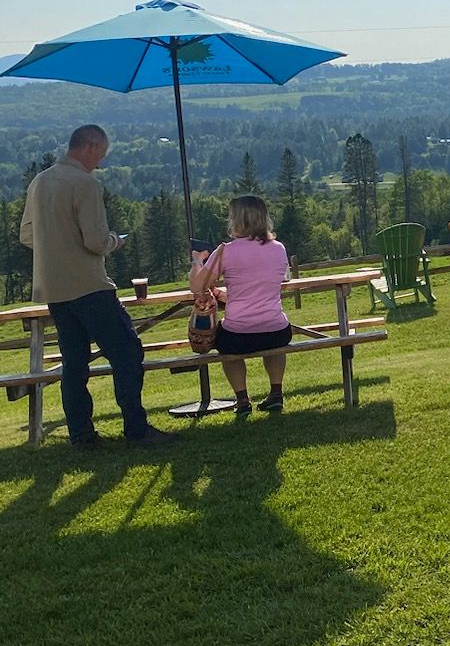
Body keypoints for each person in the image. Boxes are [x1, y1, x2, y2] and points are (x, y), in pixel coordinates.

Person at [19, 124, 170, 448]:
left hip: (54, 288)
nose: (99, 163)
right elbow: (96, 241)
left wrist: (57, 246)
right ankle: (136, 428)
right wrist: (117, 240)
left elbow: (27, 236)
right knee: (127, 352)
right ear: (88, 147)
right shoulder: (85, 184)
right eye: (100, 155)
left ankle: (82, 435)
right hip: (89, 285)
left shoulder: (40, 181)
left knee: (74, 362)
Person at [190, 194, 293, 413]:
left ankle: (242, 399)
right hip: (277, 329)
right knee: (274, 345)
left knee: (225, 345)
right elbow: (272, 284)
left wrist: (198, 261)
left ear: (238, 220)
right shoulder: (279, 248)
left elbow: (197, 286)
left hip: (239, 334)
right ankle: (276, 392)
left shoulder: (226, 250)